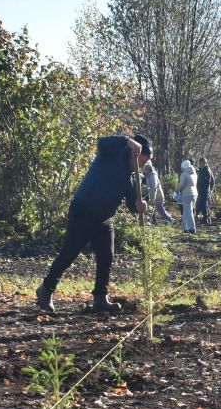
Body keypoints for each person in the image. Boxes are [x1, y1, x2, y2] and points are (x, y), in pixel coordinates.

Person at [36, 133, 145, 315]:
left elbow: (132, 204)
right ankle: (46, 290)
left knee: (106, 256)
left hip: (104, 218)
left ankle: (100, 298)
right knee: (70, 252)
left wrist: (139, 206)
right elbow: (101, 142)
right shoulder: (112, 153)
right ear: (134, 152)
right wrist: (127, 140)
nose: (142, 166)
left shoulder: (131, 178)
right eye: (142, 161)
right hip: (84, 209)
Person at [142, 156, 171, 222]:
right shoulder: (147, 176)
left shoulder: (153, 175)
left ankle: (170, 219)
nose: (144, 169)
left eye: (146, 167)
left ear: (149, 167)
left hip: (157, 195)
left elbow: (154, 187)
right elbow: (148, 187)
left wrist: (153, 198)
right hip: (152, 195)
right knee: (152, 209)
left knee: (159, 208)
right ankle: (154, 221)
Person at [176, 157, 198, 233]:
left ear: (184, 167)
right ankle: (184, 227)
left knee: (188, 212)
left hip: (187, 194)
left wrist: (177, 191)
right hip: (195, 194)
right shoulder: (194, 173)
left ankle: (192, 228)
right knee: (187, 211)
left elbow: (181, 185)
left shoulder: (184, 174)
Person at [196, 157, 212, 224]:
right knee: (200, 204)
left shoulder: (207, 170)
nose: (201, 164)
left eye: (203, 163)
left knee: (204, 204)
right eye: (200, 163)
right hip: (199, 190)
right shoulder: (199, 170)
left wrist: (199, 181)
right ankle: (204, 219)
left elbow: (208, 181)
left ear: (206, 163)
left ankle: (207, 219)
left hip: (205, 190)